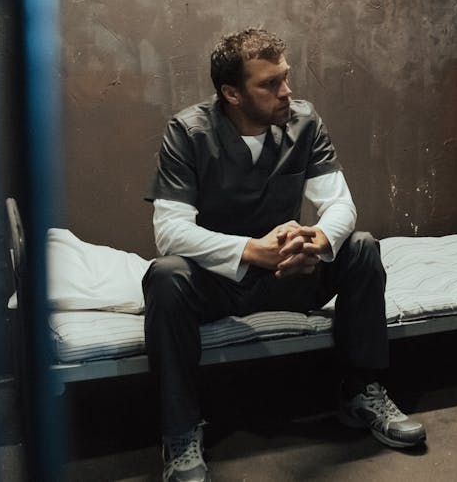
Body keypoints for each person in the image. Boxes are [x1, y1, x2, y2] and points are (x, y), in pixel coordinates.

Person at [143, 28, 427, 482]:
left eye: (286, 78)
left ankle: (361, 391)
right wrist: (250, 251)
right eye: (269, 84)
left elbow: (340, 206)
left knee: (360, 247)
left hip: (291, 274)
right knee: (166, 274)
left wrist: (315, 240)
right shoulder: (188, 131)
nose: (286, 91)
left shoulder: (303, 121)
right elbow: (169, 232)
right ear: (231, 93)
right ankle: (179, 430)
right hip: (223, 284)